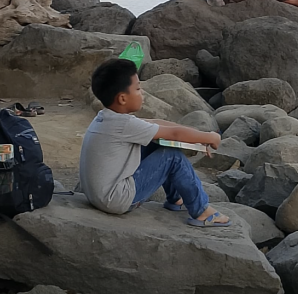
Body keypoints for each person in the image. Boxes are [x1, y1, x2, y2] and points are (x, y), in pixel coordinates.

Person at [79, 58, 231, 227]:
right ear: (122, 98)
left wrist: (199, 136)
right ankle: (202, 211)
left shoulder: (107, 118)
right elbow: (174, 133)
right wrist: (210, 137)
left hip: (99, 196)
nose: (142, 92)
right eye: (137, 88)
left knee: (156, 142)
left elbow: (156, 123)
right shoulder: (125, 125)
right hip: (115, 200)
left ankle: (176, 199)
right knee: (171, 156)